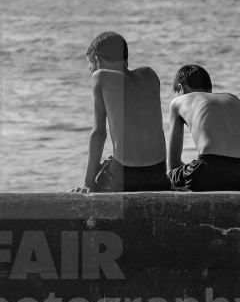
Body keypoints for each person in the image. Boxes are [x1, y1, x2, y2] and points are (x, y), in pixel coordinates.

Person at [71, 31, 170, 193]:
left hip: (127, 176)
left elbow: (99, 133)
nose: (92, 72)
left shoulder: (100, 76)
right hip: (158, 175)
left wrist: (88, 183)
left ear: (97, 60)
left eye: (91, 68)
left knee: (98, 173)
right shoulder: (150, 75)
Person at [165, 64, 240, 191]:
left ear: (181, 88)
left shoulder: (179, 101)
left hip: (209, 172)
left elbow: (173, 165)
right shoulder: (234, 99)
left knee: (171, 176)